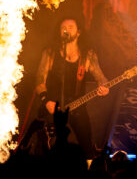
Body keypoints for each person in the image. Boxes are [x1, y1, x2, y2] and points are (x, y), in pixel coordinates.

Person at [34, 18, 109, 156]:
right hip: (53, 107)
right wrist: (46, 101)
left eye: (70, 27)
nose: (66, 30)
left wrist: (104, 87)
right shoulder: (51, 52)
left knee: (87, 148)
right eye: (63, 27)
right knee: (49, 149)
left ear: (78, 32)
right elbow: (39, 80)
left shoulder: (87, 55)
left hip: (78, 107)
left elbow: (101, 78)